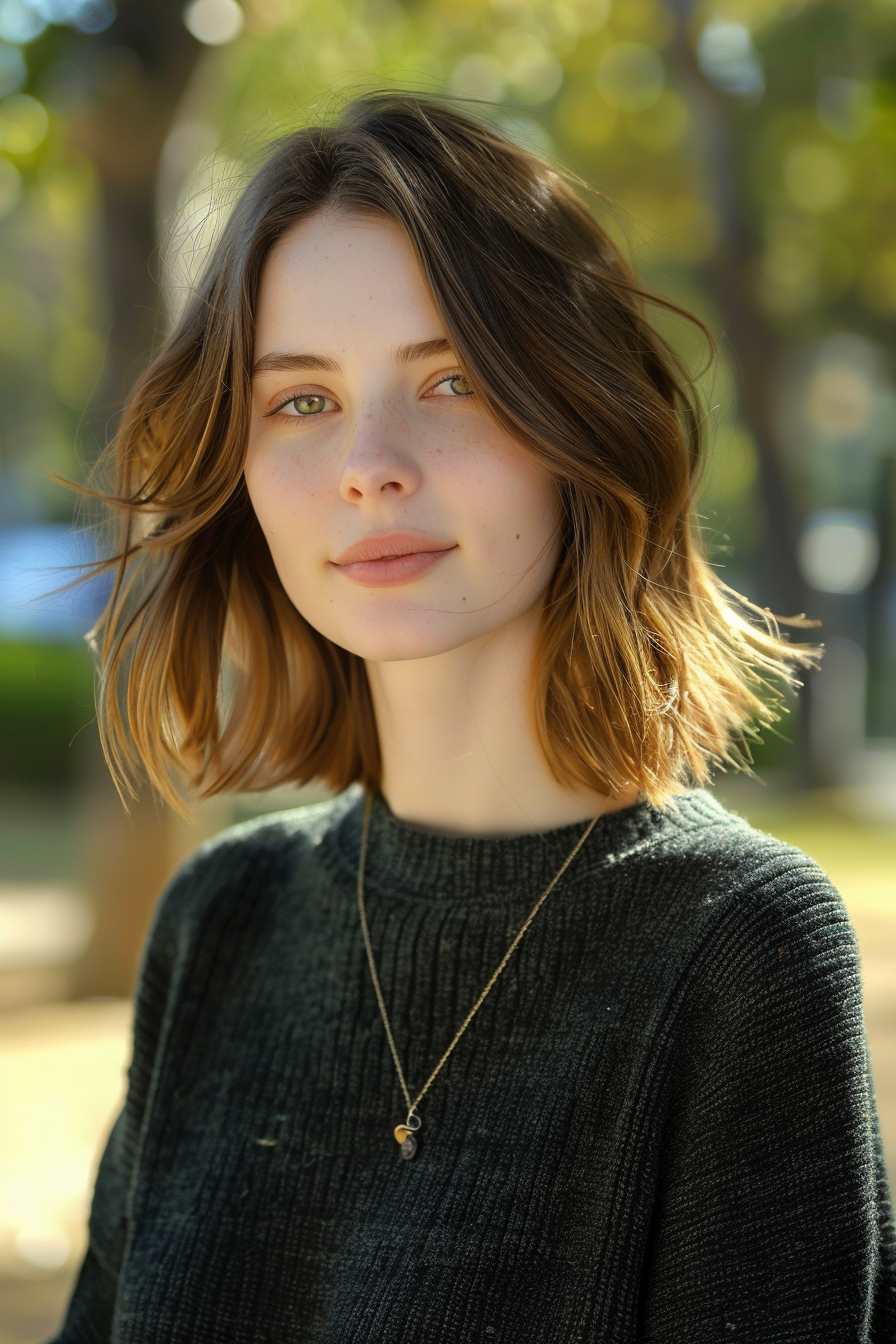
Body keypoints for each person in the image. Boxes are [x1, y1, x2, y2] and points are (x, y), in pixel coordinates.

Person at [52, 91, 894, 1342]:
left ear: (576, 418)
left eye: (447, 379)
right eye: (300, 399)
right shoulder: (223, 918)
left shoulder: (735, 948)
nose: (369, 462)